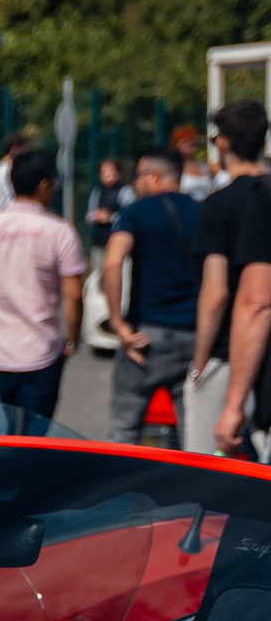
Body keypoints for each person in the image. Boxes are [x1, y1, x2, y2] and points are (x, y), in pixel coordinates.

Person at [0, 148, 83, 419]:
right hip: (41, 354)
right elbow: (73, 295)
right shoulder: (59, 231)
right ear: (44, 185)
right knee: (34, 441)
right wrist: (71, 338)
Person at [103, 147, 202, 442]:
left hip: (145, 337)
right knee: (193, 435)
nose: (135, 183)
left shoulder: (135, 212)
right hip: (193, 334)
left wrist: (119, 325)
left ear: (156, 178)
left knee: (124, 428)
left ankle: (122, 487)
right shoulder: (203, 212)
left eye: (139, 177)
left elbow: (112, 262)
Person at [188, 102, 268, 451]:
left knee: (209, 474)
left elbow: (216, 293)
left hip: (229, 354)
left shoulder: (218, 204)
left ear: (221, 143)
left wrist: (199, 363)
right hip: (267, 362)